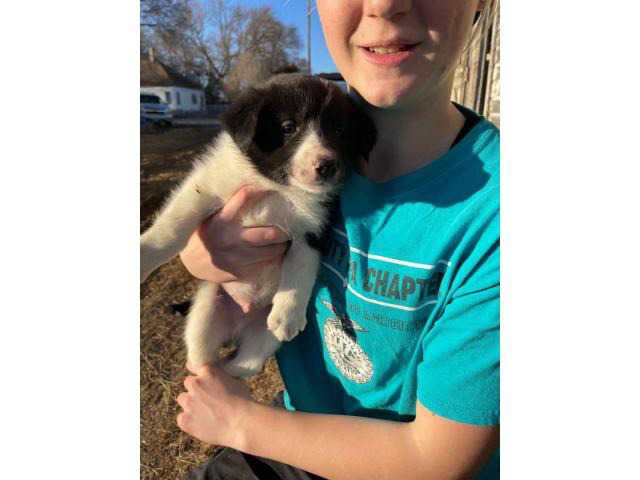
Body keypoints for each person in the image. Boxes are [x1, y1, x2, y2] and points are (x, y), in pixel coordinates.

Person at [176, 0, 500, 478]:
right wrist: (200, 253)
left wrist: (240, 422)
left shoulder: (495, 217)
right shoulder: (285, 157)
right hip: (293, 431)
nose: (387, 4)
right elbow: (206, 205)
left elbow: (435, 461)